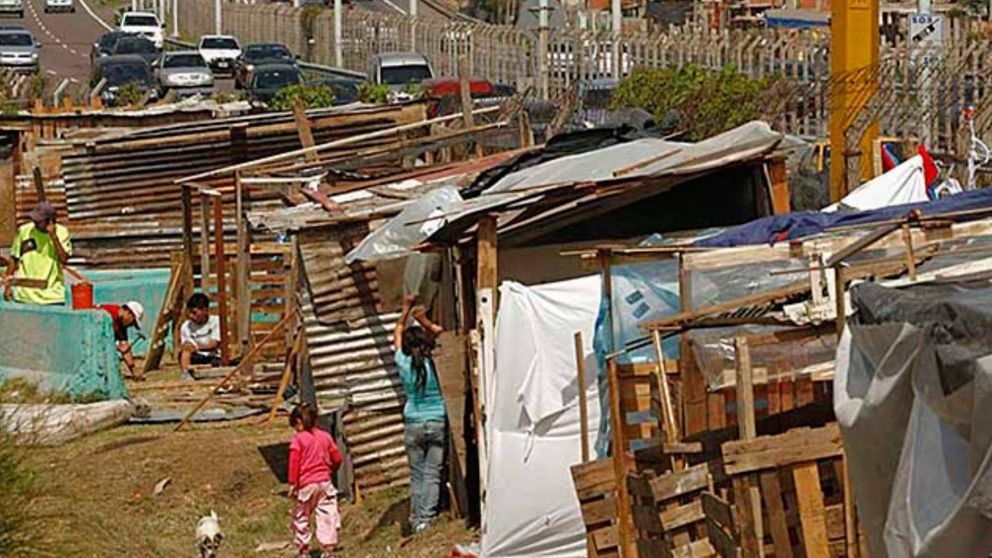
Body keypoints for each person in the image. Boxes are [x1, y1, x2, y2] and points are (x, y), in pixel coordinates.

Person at [393, 293, 447, 534]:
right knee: (432, 473)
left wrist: (406, 308)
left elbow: (397, 330)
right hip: (437, 421)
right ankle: (426, 518)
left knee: (417, 475)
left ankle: (416, 519)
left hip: (413, 423)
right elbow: (440, 332)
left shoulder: (403, 363)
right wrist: (425, 321)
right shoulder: (434, 361)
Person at [287, 402, 343, 558]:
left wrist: (292, 483)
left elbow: (294, 462)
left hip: (306, 485)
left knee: (301, 516)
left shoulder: (298, 439)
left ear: (298, 422)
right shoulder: (325, 437)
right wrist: (331, 470)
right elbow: (337, 458)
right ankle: (328, 549)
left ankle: (303, 549)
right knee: (327, 515)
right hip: (325, 483)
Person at [3, 202, 71, 305]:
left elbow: (64, 259)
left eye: (39, 221)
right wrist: (8, 286)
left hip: (51, 296)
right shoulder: (24, 231)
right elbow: (14, 258)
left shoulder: (62, 233)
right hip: (25, 296)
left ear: (50, 221)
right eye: (34, 219)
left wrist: (53, 237)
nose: (35, 222)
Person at [98, 301, 146, 380]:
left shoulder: (121, 325)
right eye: (133, 322)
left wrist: (134, 371)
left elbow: (124, 347)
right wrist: (116, 346)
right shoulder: (107, 314)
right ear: (128, 313)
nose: (131, 326)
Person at [179, 293, 222, 380]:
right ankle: (186, 374)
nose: (191, 316)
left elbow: (214, 344)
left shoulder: (216, 322)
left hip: (213, 356)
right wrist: (189, 348)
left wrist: (197, 347)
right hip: (197, 356)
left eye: (194, 313)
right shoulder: (186, 326)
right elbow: (187, 345)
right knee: (184, 353)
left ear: (205, 311)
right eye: (190, 312)